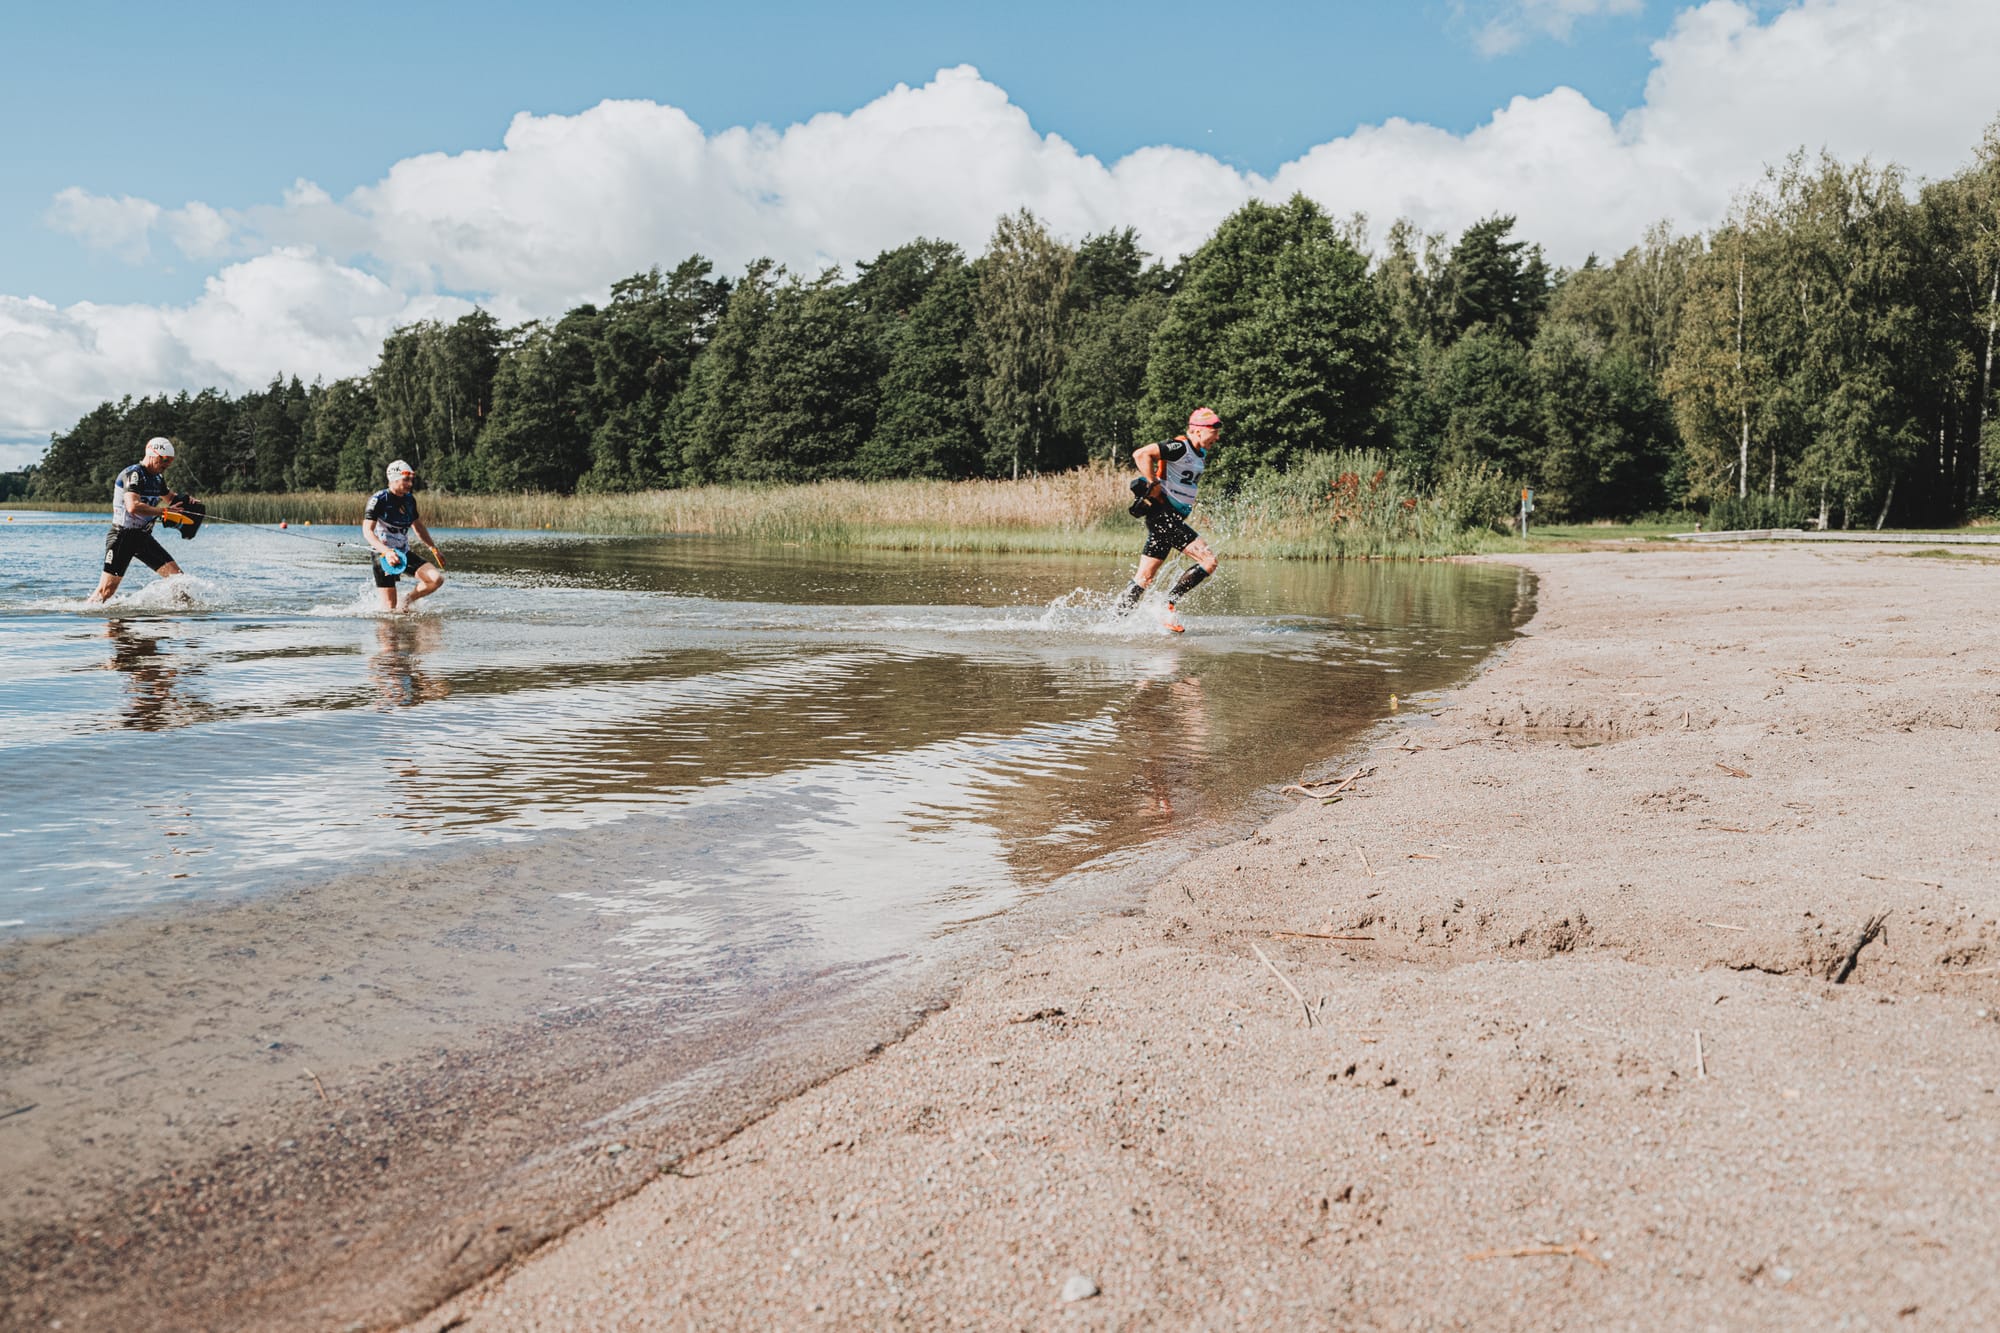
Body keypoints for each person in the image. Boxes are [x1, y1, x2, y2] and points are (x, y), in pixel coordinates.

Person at [1114, 407, 1223, 633]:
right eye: (1214, 431)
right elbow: (1141, 454)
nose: (1218, 437)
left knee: (1143, 578)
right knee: (1208, 561)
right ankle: (1169, 603)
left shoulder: (1199, 453)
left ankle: (1114, 622)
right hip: (1165, 517)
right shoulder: (1180, 447)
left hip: (1164, 519)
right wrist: (1152, 482)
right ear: (1198, 430)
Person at [89, 436, 193, 603]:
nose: (167, 465)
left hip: (143, 538)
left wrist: (189, 502)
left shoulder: (158, 478)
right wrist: (163, 511)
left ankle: (184, 617)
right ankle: (82, 622)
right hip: (122, 536)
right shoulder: (134, 474)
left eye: (170, 461)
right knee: (106, 591)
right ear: (152, 454)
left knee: (178, 580)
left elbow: (171, 498)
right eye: (164, 460)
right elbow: (133, 506)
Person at [363, 460, 445, 612]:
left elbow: (418, 526)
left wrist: (433, 548)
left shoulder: (409, 500)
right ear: (393, 479)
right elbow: (367, 531)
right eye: (406, 480)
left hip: (403, 552)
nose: (410, 484)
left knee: (436, 579)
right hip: (383, 555)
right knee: (390, 609)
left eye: (411, 480)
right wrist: (386, 552)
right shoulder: (378, 500)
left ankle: (406, 600)